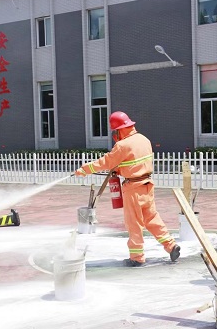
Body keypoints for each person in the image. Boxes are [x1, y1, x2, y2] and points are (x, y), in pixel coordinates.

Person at [75, 111, 180, 267]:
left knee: (133, 223)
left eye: (114, 131)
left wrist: (84, 170)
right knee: (152, 218)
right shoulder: (144, 139)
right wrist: (121, 169)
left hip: (133, 188)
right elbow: (134, 161)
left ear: (119, 130)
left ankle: (137, 258)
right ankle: (170, 245)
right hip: (147, 185)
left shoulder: (122, 145)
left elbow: (106, 162)